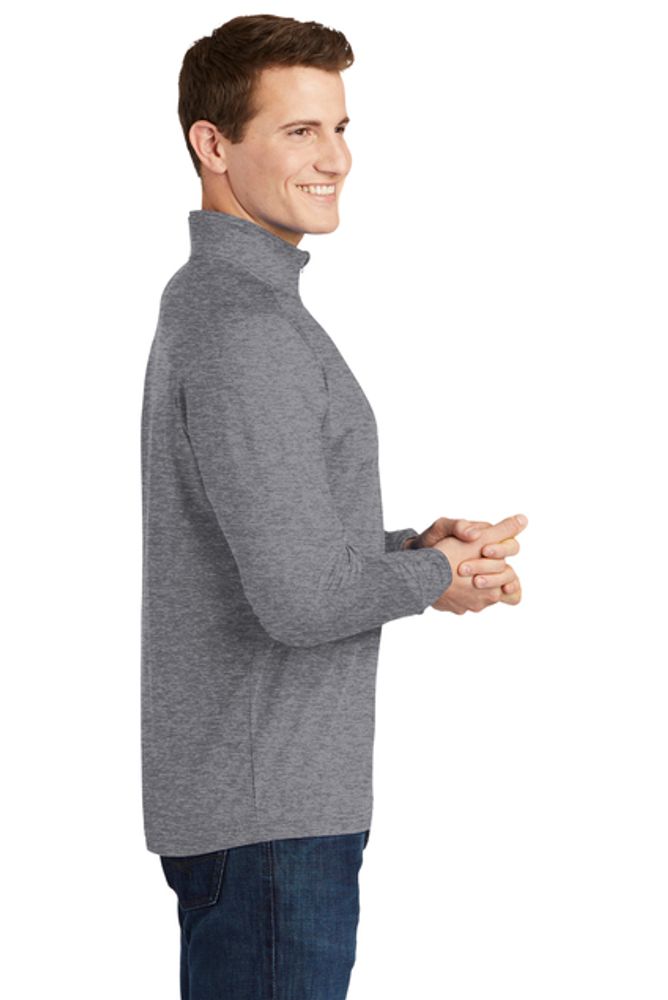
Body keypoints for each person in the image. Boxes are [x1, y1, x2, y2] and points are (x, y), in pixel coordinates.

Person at [140, 14, 528, 1000]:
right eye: (300, 130)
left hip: (263, 806)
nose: (336, 158)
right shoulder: (244, 325)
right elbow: (301, 600)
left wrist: (415, 551)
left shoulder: (234, 307)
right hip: (272, 818)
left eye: (341, 127)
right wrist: (435, 573)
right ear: (212, 143)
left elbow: (272, 544)